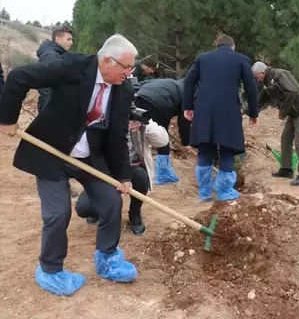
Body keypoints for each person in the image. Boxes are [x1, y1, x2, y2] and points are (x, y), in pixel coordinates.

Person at [0, 34, 140, 296]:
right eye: (126, 67)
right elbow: (20, 77)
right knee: (58, 213)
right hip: (52, 151)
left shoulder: (124, 89)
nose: (129, 73)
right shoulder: (73, 66)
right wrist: (7, 118)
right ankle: (50, 269)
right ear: (107, 61)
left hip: (90, 156)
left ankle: (107, 258)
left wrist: (123, 175)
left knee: (111, 202)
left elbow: (117, 135)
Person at [183, 34, 259, 202]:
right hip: (228, 110)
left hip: (204, 109)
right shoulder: (240, 59)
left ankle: (204, 192)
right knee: (227, 149)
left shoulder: (203, 58)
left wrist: (188, 106)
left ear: (216, 46)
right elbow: (251, 88)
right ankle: (224, 192)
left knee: (205, 148)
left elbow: (189, 81)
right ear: (233, 47)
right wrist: (253, 113)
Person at [76, 102, 169, 235]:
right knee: (83, 208)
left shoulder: (133, 114)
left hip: (132, 169)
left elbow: (163, 141)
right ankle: (100, 209)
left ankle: (135, 213)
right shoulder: (94, 115)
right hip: (103, 172)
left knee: (141, 177)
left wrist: (144, 124)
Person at [252, 61, 299, 186]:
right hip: (293, 113)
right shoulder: (267, 83)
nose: (256, 79)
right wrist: (249, 111)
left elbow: (292, 92)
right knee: (285, 138)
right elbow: (262, 99)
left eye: (256, 76)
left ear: (262, 73)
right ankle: (286, 169)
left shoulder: (280, 74)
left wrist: (283, 112)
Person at [134, 77, 191, 184]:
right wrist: (186, 142)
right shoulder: (189, 94)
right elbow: (185, 120)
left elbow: (143, 82)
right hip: (160, 105)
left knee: (139, 132)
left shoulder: (170, 82)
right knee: (162, 138)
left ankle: (137, 164)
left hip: (139, 98)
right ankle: (163, 174)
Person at [36, 24, 74, 112]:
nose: (71, 43)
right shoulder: (51, 55)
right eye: (68, 39)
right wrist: (52, 108)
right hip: (50, 107)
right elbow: (45, 86)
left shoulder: (57, 54)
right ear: (58, 39)